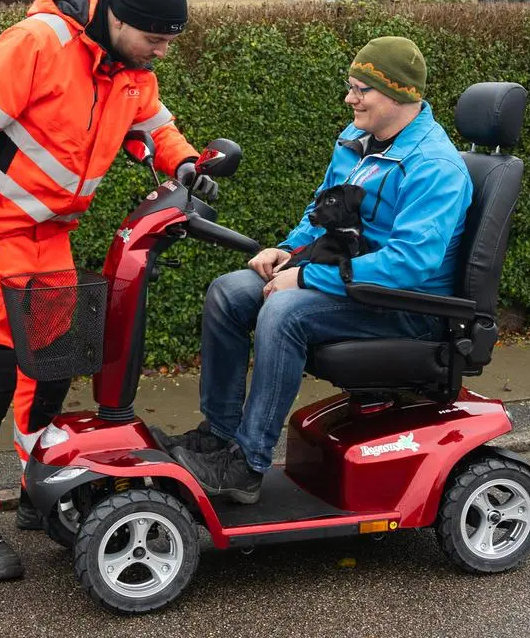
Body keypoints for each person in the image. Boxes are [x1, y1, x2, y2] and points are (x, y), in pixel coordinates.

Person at [0, 0, 218, 580]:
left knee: (52, 373)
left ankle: (40, 493)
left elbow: (155, 129)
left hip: (52, 240)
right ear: (119, 18)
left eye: (170, 42)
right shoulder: (37, 42)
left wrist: (187, 164)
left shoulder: (133, 70)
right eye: (156, 40)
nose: (162, 54)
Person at [157, 36, 474, 505]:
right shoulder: (356, 143)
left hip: (406, 306)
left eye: (360, 89)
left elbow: (409, 264)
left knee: (284, 310)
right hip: (350, 283)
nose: (350, 99)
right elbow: (321, 213)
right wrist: (288, 251)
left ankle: (247, 465)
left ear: (398, 95)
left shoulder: (434, 167)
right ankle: (219, 435)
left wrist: (305, 278)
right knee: (228, 292)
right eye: (350, 87)